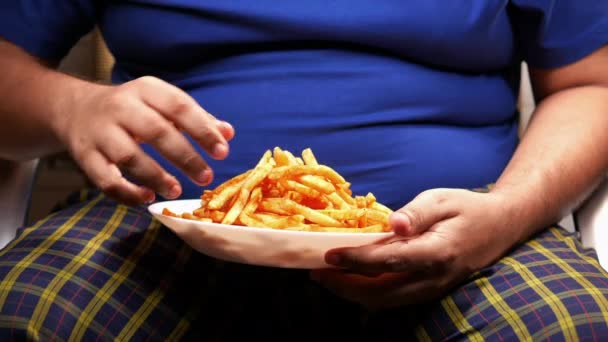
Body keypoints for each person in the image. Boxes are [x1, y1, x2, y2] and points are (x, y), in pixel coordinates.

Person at [0, 0, 607, 340]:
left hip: (469, 231)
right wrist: (68, 106)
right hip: (158, 220)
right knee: (22, 317)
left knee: (571, 331)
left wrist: (510, 211)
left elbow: (593, 85)